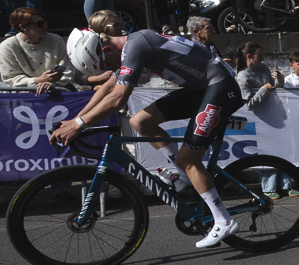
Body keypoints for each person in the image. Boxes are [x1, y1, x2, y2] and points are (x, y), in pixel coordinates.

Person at [49, 28, 246, 248]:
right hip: (200, 89)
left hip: (219, 87)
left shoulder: (136, 44)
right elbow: (109, 86)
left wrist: (79, 125)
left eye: (107, 63)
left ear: (105, 49)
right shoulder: (130, 47)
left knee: (189, 159)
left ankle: (223, 220)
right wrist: (75, 119)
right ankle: (182, 174)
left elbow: (118, 98)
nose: (111, 69)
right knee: (140, 122)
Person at [235, 42, 296, 199]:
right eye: (259, 55)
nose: (262, 58)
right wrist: (264, 89)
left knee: (283, 151)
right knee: (268, 153)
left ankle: (286, 185)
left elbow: (275, 89)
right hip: (260, 120)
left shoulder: (263, 68)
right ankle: (268, 187)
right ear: (249, 56)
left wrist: (279, 80)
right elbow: (248, 104)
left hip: (275, 115)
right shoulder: (243, 76)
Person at [0, 7, 102, 92]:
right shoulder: (7, 46)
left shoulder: (55, 40)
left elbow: (67, 70)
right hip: (26, 96)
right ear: (22, 27)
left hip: (58, 91)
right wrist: (38, 81)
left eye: (45, 22)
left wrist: (49, 84)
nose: (46, 26)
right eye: (39, 24)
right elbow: (10, 79)